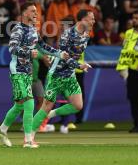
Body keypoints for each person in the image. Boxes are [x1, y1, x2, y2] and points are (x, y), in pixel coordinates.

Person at [0, 2, 69, 148]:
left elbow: (42, 46)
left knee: (19, 105)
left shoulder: (33, 30)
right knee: (29, 103)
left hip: (28, 72)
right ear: (25, 13)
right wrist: (28, 52)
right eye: (32, 11)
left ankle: (2, 130)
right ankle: (28, 140)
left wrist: (59, 53)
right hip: (18, 71)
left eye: (36, 11)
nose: (35, 13)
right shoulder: (18, 29)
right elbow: (12, 48)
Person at [31, 10, 95, 143]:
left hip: (69, 75)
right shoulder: (67, 35)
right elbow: (65, 57)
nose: (93, 21)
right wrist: (79, 66)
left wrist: (77, 65)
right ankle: (29, 137)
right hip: (56, 74)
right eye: (91, 19)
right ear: (82, 20)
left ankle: (51, 114)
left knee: (77, 105)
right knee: (46, 105)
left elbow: (75, 56)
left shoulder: (86, 35)